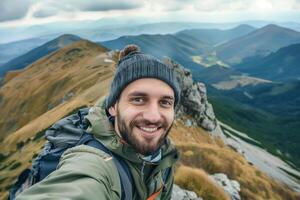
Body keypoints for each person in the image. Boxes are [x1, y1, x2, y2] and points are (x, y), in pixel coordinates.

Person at [16, 44, 181, 200]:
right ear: (113, 107)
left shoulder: (165, 155)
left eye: (165, 102)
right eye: (138, 99)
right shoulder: (94, 163)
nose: (153, 117)